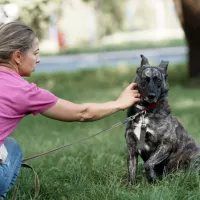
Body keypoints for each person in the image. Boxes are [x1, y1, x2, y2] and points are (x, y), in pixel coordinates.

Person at [0, 21, 141, 198]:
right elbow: (82, 113)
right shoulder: (24, 92)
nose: (38, 59)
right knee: (13, 149)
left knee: (9, 144)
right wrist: (119, 103)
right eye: (35, 53)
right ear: (18, 57)